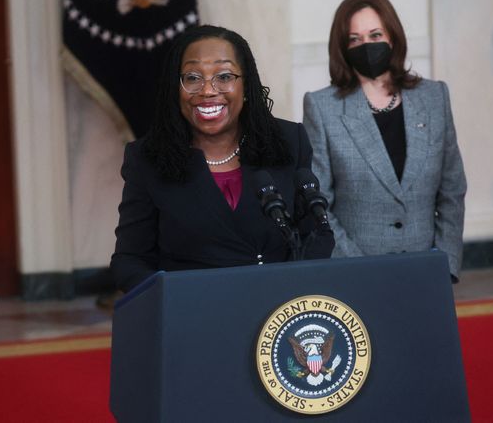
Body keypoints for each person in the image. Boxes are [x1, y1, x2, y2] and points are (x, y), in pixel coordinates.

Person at [110, 25, 334, 292]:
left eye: (224, 76)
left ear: (246, 85)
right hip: (195, 315)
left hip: (278, 313)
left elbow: (312, 237)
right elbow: (130, 261)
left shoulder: (288, 141)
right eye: (192, 77)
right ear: (176, 88)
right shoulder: (147, 158)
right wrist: (172, 300)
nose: (207, 90)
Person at [303, 0, 466, 281]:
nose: (366, 45)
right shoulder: (322, 107)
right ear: (342, 47)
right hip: (356, 277)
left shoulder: (434, 97)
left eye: (375, 34)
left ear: (393, 37)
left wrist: (446, 264)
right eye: (355, 39)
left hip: (428, 273)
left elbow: (452, 190)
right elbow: (319, 206)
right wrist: (360, 271)